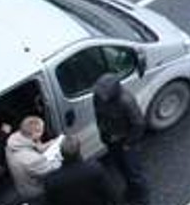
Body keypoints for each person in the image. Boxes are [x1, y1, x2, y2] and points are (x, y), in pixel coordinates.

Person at [93, 73, 148, 205]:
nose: (101, 95)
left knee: (134, 173)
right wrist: (103, 133)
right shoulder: (98, 96)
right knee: (121, 168)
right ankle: (131, 191)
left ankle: (142, 198)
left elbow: (139, 124)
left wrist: (128, 144)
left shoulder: (126, 101)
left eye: (104, 93)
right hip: (111, 140)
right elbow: (98, 115)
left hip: (125, 142)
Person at [42, 135, 118, 205]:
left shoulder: (52, 180)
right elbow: (111, 194)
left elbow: (51, 202)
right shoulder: (94, 169)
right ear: (79, 150)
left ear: (61, 154)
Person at [5, 116, 61, 204]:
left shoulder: (14, 140)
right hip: (35, 192)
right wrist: (59, 155)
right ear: (34, 134)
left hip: (21, 187)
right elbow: (51, 168)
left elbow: (36, 147)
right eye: (41, 130)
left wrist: (51, 143)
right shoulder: (31, 160)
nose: (43, 132)